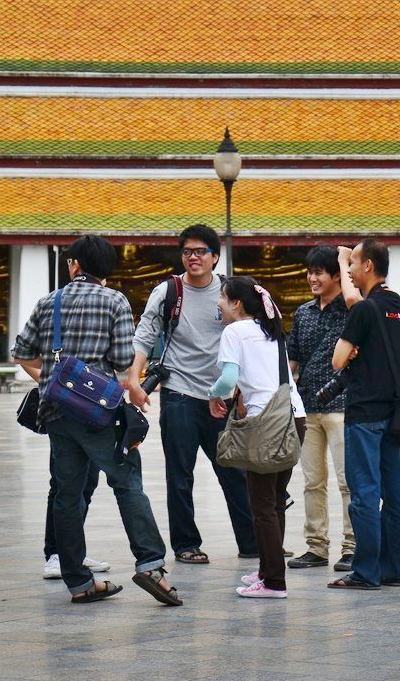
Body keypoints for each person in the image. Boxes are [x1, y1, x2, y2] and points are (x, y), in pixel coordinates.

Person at [12, 236, 181, 606]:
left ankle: (78, 582)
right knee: (127, 483)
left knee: (66, 493)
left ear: (75, 265)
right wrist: (127, 386)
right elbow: (122, 361)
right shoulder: (114, 301)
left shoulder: (49, 301)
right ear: (107, 269)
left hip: (56, 412)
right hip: (98, 413)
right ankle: (151, 565)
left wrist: (57, 372)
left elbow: (21, 352)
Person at [128, 224, 257, 564]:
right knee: (180, 474)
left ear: (215, 256)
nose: (193, 257)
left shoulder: (231, 292)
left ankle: (252, 541)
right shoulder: (168, 291)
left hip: (221, 396)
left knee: (234, 471)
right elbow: (145, 335)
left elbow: (249, 336)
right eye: (187, 252)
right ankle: (186, 544)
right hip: (179, 394)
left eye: (201, 251)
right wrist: (134, 379)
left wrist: (243, 392)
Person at [208, 276, 306, 599]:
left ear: (236, 304)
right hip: (294, 418)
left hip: (266, 424)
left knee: (262, 505)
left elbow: (228, 379)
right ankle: (267, 570)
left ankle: (275, 582)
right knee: (275, 502)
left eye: (222, 298)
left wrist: (213, 394)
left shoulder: (234, 331)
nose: (219, 303)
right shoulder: (271, 330)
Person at [328, 238, 400, 591]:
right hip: (394, 411)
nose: (348, 270)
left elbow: (337, 360)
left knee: (363, 494)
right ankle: (392, 569)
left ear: (368, 266)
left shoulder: (363, 310)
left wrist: (352, 351)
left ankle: (365, 572)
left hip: (364, 414)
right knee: (394, 492)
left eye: (353, 263)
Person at [287, 245, 359, 572]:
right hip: (308, 407)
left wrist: (344, 261)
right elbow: (292, 360)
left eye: (319, 272)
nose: (312, 278)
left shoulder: (351, 308)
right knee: (312, 481)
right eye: (310, 272)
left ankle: (353, 547)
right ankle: (316, 546)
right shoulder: (302, 313)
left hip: (342, 406)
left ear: (336, 275)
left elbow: (353, 296)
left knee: (348, 482)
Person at [17, 352, 110, 580]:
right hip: (63, 410)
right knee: (63, 484)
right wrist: (51, 383)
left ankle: (73, 552)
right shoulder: (53, 327)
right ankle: (55, 554)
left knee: (88, 482)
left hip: (94, 408)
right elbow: (21, 354)